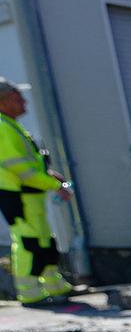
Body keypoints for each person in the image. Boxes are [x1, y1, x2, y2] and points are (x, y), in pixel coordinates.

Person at [0, 78, 75, 306]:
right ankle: (30, 293)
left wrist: (50, 175)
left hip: (28, 194)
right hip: (17, 194)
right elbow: (21, 170)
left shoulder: (11, 125)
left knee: (43, 240)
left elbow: (28, 165)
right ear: (3, 102)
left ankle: (54, 285)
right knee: (29, 242)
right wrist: (55, 185)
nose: (24, 102)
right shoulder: (3, 127)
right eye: (17, 99)